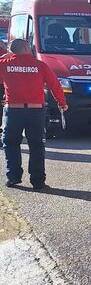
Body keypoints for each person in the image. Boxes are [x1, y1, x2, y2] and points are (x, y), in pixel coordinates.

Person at [0, 39, 68, 189]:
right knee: (36, 145)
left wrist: (4, 57)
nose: (31, 49)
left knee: (11, 143)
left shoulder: (4, 64)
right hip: (36, 111)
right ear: (25, 48)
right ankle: (38, 181)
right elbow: (54, 85)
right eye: (29, 46)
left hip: (13, 111)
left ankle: (13, 177)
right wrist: (62, 103)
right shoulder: (40, 65)